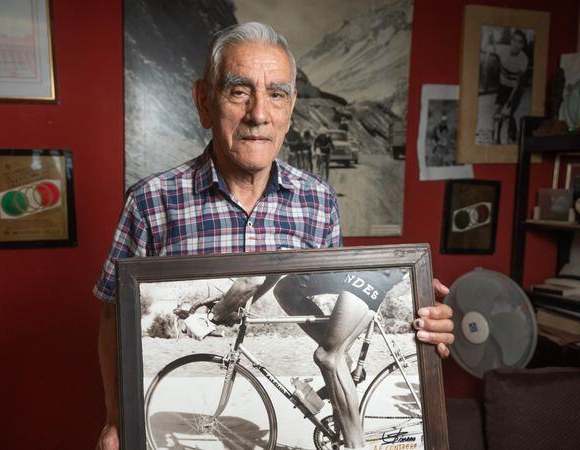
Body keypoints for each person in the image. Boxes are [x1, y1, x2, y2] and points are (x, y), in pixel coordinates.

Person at [95, 22, 454, 450]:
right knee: (299, 314)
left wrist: (420, 321)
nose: (259, 113)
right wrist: (118, 418)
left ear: (290, 108)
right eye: (239, 91)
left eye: (276, 94)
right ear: (204, 101)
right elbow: (114, 318)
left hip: (365, 289)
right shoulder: (151, 202)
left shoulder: (317, 201)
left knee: (328, 355)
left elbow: (328, 294)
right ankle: (326, 396)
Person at [484, 29, 529, 143]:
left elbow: (518, 82)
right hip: (503, 86)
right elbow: (487, 47)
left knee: (509, 113)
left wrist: (510, 100)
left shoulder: (523, 59)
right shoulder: (502, 49)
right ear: (511, 40)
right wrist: (490, 56)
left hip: (516, 88)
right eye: (514, 40)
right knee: (496, 112)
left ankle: (512, 135)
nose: (515, 44)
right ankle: (496, 138)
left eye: (519, 42)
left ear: (522, 45)